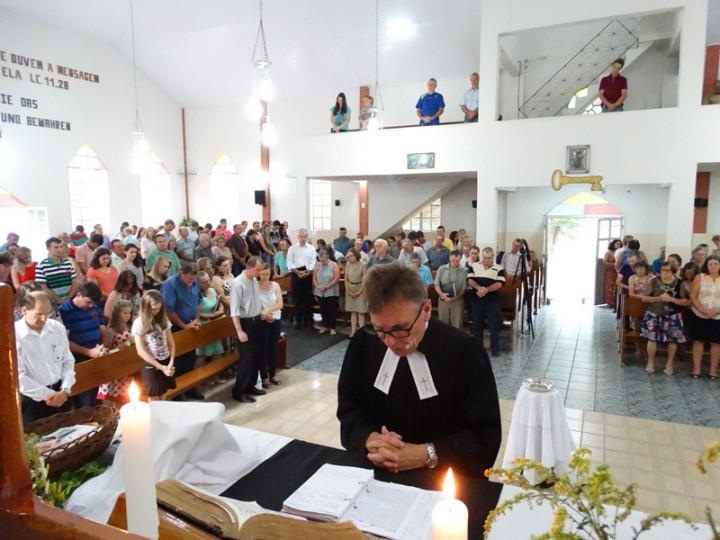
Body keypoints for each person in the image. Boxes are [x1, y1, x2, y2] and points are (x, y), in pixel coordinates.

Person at [337, 262, 501, 482]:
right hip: (374, 473)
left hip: (441, 478)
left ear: (425, 309)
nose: (389, 342)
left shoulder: (465, 352)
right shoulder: (363, 343)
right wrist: (370, 439)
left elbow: (484, 435)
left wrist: (425, 455)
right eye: (380, 329)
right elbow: (349, 409)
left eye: (400, 329)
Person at [16, 291, 75, 425]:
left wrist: (65, 389)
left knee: (68, 437)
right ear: (24, 310)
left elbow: (67, 361)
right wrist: (48, 395)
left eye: (48, 313)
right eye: (39, 314)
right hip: (33, 400)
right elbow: (19, 377)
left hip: (61, 393)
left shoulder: (57, 328)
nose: (43, 319)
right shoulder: (14, 336)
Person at [59, 282, 108, 408]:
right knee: (84, 400)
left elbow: (102, 330)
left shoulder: (94, 308)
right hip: (78, 359)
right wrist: (89, 352)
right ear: (78, 295)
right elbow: (65, 342)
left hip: (97, 355)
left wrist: (103, 347)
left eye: (93, 303)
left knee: (97, 397)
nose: (90, 305)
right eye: (88, 302)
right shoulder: (64, 312)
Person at [161, 261, 203, 400]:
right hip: (176, 327)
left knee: (190, 360)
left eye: (194, 278)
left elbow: (199, 301)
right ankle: (177, 393)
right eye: (189, 278)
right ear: (182, 274)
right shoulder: (170, 285)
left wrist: (196, 320)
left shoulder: (195, 282)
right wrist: (184, 326)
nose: (192, 281)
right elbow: (169, 310)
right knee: (177, 361)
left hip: (192, 325)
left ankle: (190, 388)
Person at [639, 262, 690, 376]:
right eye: (662, 270)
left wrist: (672, 299)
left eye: (667, 270)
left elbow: (686, 301)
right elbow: (644, 298)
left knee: (673, 340)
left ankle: (670, 363)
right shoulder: (654, 281)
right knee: (651, 339)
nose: (663, 272)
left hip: (672, 315)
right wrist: (658, 298)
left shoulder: (679, 283)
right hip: (654, 313)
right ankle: (650, 362)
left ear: (673, 271)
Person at [229, 256, 266, 403]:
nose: (260, 272)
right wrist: (239, 331)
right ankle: (239, 390)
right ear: (249, 267)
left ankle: (251, 385)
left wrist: (263, 313)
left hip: (257, 320)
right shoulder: (238, 283)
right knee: (246, 359)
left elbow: (256, 300)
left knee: (257, 355)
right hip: (245, 324)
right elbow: (235, 309)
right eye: (258, 270)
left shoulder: (254, 280)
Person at [133, 290, 176, 401]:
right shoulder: (139, 323)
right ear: (145, 306)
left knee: (163, 393)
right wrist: (160, 367)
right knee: (153, 396)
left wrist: (171, 362)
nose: (155, 311)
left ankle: (163, 417)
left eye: (158, 309)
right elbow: (140, 351)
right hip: (151, 363)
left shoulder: (163, 319)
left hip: (165, 360)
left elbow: (171, 343)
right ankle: (156, 417)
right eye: (152, 309)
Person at [467, 247, 505, 356]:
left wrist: (486, 290)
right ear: (482, 257)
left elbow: (499, 283)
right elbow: (470, 279)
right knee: (477, 325)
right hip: (476, 300)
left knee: (494, 325)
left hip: (492, 301)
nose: (486, 260)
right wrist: (479, 288)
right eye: (485, 258)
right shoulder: (473, 266)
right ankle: (478, 349)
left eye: (489, 258)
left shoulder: (499, 268)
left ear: (493, 257)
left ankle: (495, 349)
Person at [97, 299, 134, 405]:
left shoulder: (128, 326)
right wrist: (122, 346)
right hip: (114, 366)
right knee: (112, 400)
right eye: (125, 313)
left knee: (125, 396)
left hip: (125, 365)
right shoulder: (111, 330)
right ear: (117, 314)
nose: (128, 316)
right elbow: (106, 351)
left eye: (129, 313)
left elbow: (128, 343)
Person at [689, 255, 720, 379]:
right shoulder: (700, 277)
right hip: (700, 313)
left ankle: (713, 370)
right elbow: (693, 295)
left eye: (716, 264)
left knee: (716, 343)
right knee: (698, 341)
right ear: (706, 265)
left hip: (718, 315)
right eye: (710, 264)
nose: (713, 266)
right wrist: (703, 310)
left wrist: (717, 311)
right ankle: (696, 368)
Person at [258, 262, 283, 387]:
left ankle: (273, 374)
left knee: (273, 347)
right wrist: (264, 314)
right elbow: (256, 304)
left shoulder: (275, 285)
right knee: (263, 348)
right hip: (262, 320)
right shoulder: (255, 286)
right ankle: (264, 377)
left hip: (275, 319)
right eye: (263, 274)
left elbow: (280, 303)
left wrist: (268, 311)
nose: (265, 276)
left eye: (268, 274)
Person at [35, 236, 79, 308]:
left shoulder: (68, 263)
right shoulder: (41, 265)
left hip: (69, 300)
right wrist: (59, 300)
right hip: (52, 303)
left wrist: (67, 299)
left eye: (61, 247)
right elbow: (43, 287)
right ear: (48, 249)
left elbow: (74, 282)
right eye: (56, 247)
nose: (59, 249)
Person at [286, 229, 317, 329]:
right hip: (296, 275)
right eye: (301, 236)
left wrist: (308, 272)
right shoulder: (292, 248)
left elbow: (313, 261)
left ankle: (308, 320)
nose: (303, 238)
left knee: (307, 298)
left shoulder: (311, 248)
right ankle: (297, 319)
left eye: (305, 236)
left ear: (307, 237)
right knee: (297, 298)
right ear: (298, 236)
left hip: (307, 275)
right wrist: (297, 272)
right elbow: (289, 263)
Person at [195, 271, 225, 365]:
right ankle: (201, 377)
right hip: (204, 324)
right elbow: (196, 312)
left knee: (217, 351)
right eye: (205, 281)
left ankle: (217, 375)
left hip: (214, 322)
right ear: (199, 283)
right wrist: (208, 316)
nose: (209, 282)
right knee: (203, 353)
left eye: (209, 279)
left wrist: (220, 310)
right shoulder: (196, 295)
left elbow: (219, 302)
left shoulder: (212, 290)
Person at [434, 250, 467, 328]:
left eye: (457, 261)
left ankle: (456, 340)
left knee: (457, 322)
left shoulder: (463, 271)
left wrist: (456, 297)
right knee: (442, 323)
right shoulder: (442, 269)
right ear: (449, 258)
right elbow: (436, 284)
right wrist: (442, 295)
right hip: (443, 299)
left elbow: (463, 288)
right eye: (453, 260)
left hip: (457, 300)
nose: (455, 262)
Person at [313, 249, 341, 335]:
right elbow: (314, 277)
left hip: (331, 291)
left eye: (324, 260)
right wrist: (317, 286)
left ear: (328, 257)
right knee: (323, 309)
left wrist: (326, 287)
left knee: (331, 309)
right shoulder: (318, 265)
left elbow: (336, 278)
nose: (322, 262)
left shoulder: (334, 265)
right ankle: (325, 326)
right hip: (320, 291)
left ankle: (332, 327)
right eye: (320, 260)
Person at [344, 248, 368, 338]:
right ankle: (353, 331)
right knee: (353, 312)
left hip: (360, 288)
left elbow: (364, 280)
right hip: (350, 287)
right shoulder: (347, 265)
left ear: (356, 255)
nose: (350, 258)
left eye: (351, 256)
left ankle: (362, 333)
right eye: (348, 256)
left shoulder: (363, 265)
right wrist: (348, 290)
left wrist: (359, 292)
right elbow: (346, 279)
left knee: (361, 312)